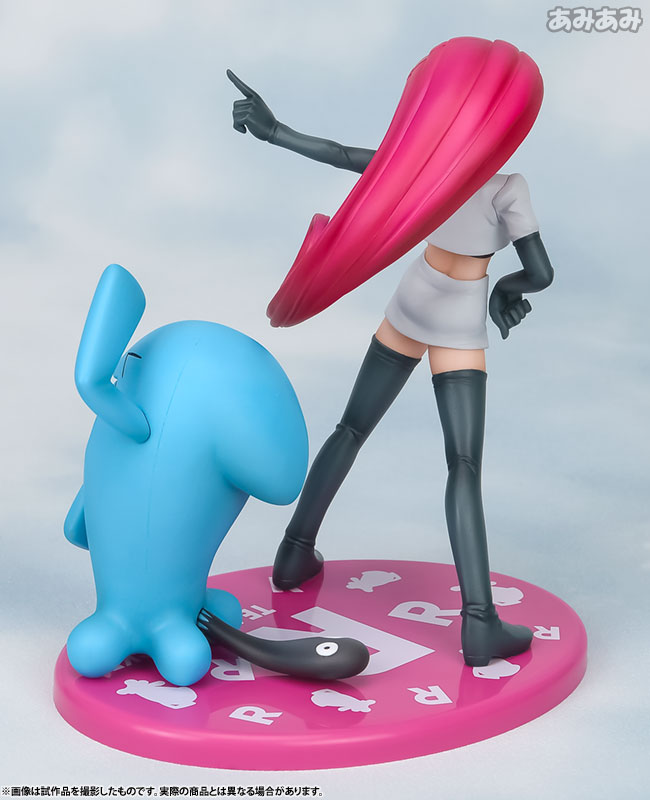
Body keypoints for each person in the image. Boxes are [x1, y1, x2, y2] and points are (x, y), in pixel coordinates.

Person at [227, 38, 554, 667]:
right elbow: (539, 272)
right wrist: (508, 290)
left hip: (413, 297)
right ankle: (479, 622)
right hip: (460, 312)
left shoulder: (426, 167)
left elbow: (345, 156)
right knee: (463, 464)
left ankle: (293, 552)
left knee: (351, 427)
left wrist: (274, 132)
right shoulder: (507, 188)